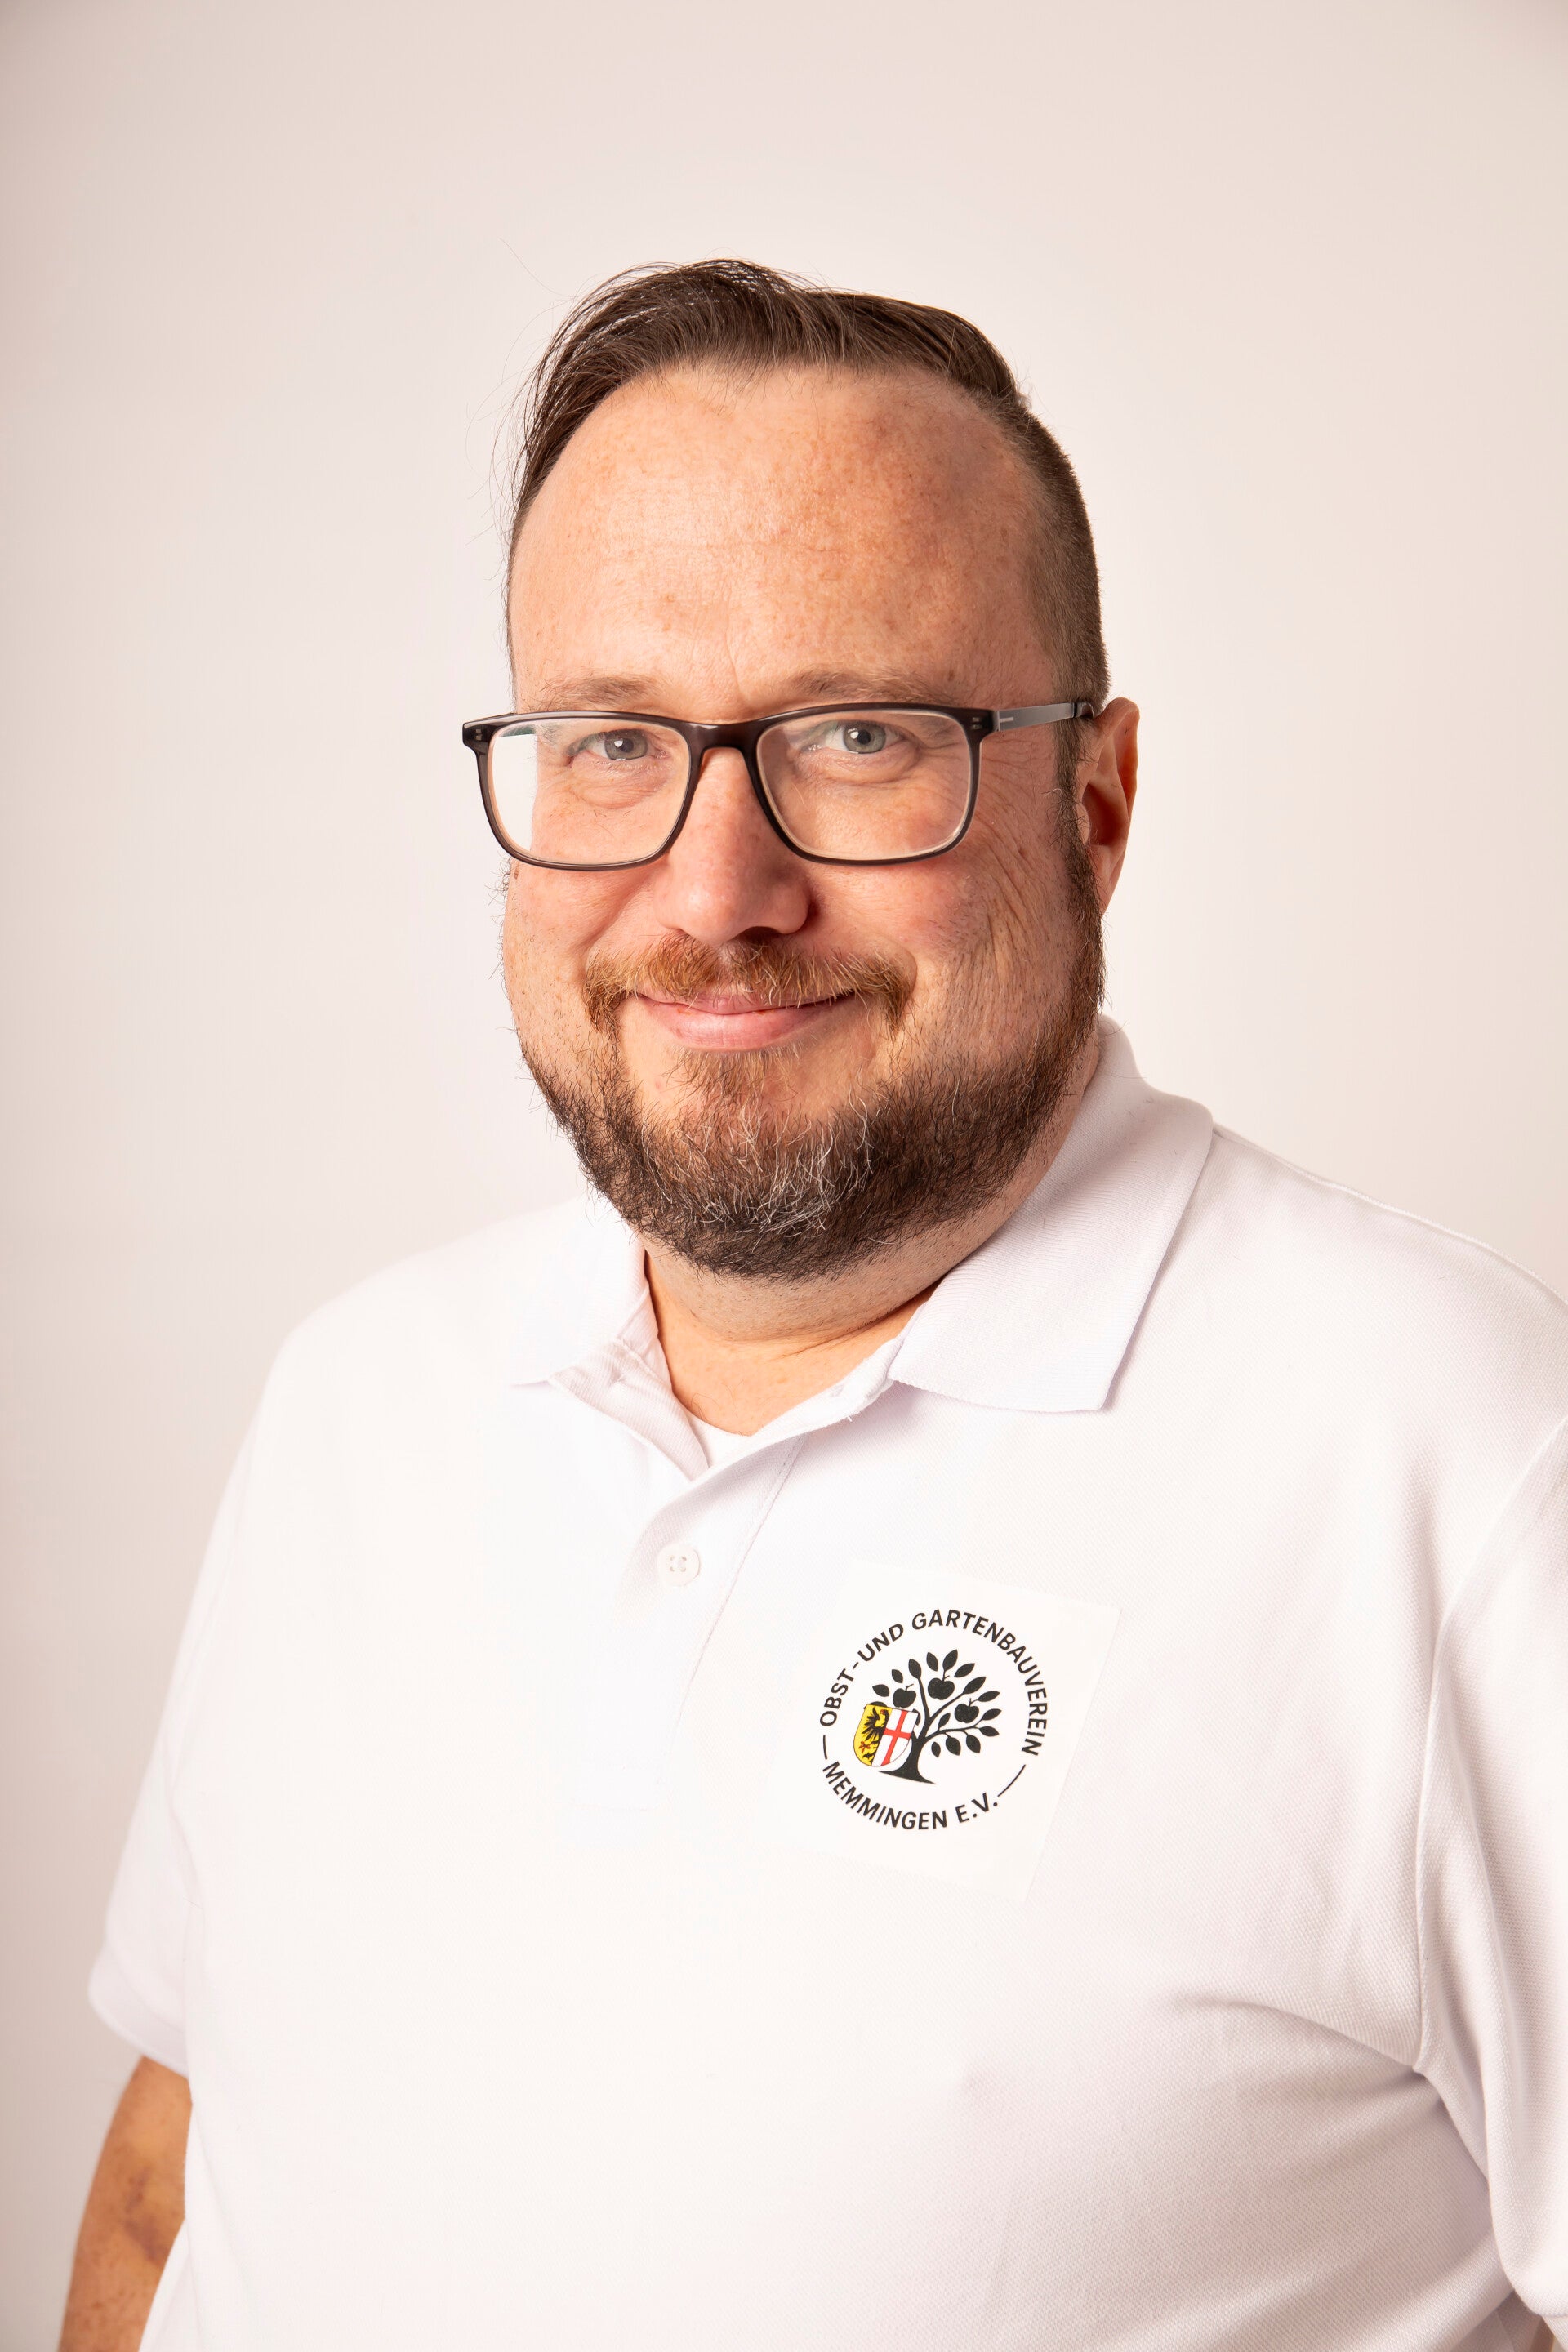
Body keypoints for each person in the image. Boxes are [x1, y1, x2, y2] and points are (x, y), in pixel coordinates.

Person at [61, 260, 1566, 2352]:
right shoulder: (362, 1399)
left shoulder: (1470, 1474)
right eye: (613, 742)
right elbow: (174, 2189)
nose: (717, 891)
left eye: (860, 738)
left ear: (1097, 805)